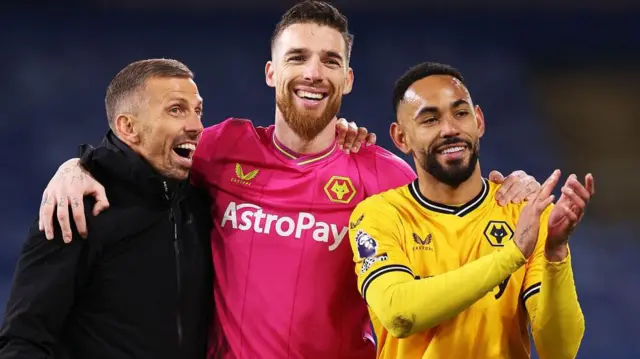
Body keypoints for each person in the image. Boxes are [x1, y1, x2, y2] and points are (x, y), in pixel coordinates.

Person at [37, 2, 542, 359]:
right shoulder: (220, 149)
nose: (313, 73)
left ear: (347, 79)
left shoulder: (384, 173)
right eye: (297, 58)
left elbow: (454, 207)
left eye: (330, 61)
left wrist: (512, 185)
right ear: (271, 72)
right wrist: (79, 166)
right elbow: (144, 150)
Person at [348, 62, 592, 359]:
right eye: (429, 120)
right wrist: (512, 254)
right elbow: (400, 313)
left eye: (460, 113)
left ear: (478, 120)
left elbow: (560, 349)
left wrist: (556, 252)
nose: (450, 129)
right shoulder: (379, 215)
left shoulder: (525, 213)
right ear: (402, 138)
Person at [0, 59, 216, 358]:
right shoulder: (76, 209)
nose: (196, 126)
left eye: (197, 110)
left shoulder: (201, 200)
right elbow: (23, 341)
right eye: (176, 110)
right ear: (128, 127)